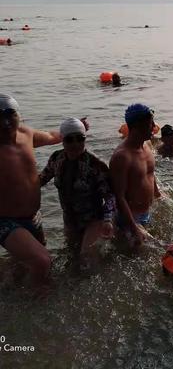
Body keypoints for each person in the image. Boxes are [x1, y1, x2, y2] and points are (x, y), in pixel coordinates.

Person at [0, 94, 62, 286]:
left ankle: (9, 288)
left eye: (10, 114)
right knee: (42, 261)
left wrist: (74, 129)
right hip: (5, 220)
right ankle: (37, 304)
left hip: (32, 216)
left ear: (19, 115)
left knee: (25, 262)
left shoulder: (26, 134)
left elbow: (52, 137)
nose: (5, 121)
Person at [39, 118, 115, 258]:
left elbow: (110, 195)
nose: (75, 144)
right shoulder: (57, 158)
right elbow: (41, 180)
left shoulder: (95, 164)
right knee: (71, 256)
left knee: (87, 259)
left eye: (80, 138)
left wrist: (108, 219)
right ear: (62, 139)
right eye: (69, 139)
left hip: (93, 219)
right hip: (69, 220)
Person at [109, 104, 161, 247]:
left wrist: (158, 194)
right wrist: (134, 227)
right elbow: (118, 197)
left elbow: (150, 173)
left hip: (147, 211)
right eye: (151, 123)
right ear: (138, 125)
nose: (154, 126)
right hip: (130, 219)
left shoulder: (147, 145)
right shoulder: (122, 156)